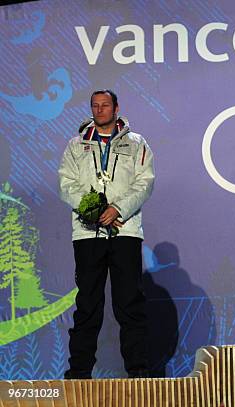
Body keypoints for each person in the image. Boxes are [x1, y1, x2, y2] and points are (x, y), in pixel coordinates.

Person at [58, 89, 155, 378]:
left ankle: (138, 371)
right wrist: (96, 210)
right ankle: (78, 373)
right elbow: (67, 185)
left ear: (116, 108)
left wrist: (117, 209)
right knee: (87, 305)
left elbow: (145, 183)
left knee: (129, 304)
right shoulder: (76, 145)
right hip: (88, 235)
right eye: (95, 106)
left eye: (105, 105)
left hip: (125, 231)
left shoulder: (137, 144)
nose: (100, 110)